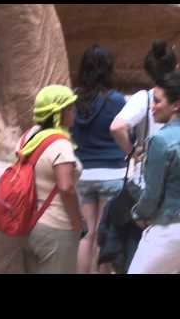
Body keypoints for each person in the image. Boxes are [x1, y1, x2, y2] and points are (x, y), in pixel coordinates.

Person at [70, 44, 127, 274]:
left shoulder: (71, 99)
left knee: (87, 234)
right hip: (112, 174)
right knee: (105, 236)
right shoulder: (117, 101)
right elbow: (125, 132)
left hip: (82, 173)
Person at [16, 85, 84, 274]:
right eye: (70, 108)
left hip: (29, 224)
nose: (74, 112)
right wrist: (77, 222)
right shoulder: (60, 145)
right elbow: (66, 187)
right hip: (57, 228)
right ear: (59, 113)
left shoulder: (28, 137)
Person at [127, 72, 180, 274]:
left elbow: (152, 194)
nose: (152, 107)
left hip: (168, 227)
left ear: (176, 105)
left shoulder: (160, 141)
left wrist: (138, 214)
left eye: (157, 101)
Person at [110, 40, 177, 184]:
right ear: (175, 67)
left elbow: (117, 127)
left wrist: (132, 152)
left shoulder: (144, 98)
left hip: (149, 175)